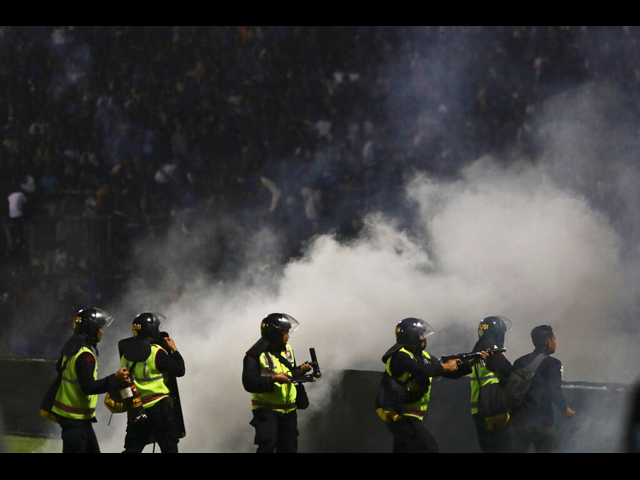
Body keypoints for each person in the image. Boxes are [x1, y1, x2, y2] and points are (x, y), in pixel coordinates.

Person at [379, 317, 486, 453]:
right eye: (421, 334)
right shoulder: (400, 356)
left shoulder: (424, 356)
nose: (424, 338)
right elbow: (424, 370)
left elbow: (451, 373)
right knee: (429, 448)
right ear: (412, 337)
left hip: (409, 416)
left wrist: (471, 362)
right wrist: (444, 367)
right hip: (401, 415)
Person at [40, 307, 130, 453]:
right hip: (76, 421)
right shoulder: (85, 356)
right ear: (92, 329)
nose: (102, 331)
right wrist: (115, 378)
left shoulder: (71, 349)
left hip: (74, 420)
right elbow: (89, 388)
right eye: (100, 327)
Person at [242, 313, 312, 453]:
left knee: (289, 449)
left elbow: (289, 373)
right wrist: (273, 379)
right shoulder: (254, 355)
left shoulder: (288, 350)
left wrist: (300, 371)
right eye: (286, 332)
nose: (288, 336)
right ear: (275, 334)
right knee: (268, 447)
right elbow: (249, 383)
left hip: (289, 411)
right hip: (267, 411)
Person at [118, 312, 186, 453]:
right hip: (159, 410)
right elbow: (180, 370)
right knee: (169, 449)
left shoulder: (125, 355)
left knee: (132, 450)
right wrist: (174, 350)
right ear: (151, 330)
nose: (159, 330)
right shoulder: (157, 352)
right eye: (157, 327)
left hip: (138, 409)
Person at [510, 325, 575, 453]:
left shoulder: (520, 361)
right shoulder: (553, 363)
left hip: (519, 420)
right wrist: (564, 409)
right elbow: (554, 389)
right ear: (548, 342)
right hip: (541, 420)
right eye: (554, 339)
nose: (555, 343)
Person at [470, 315, 515, 453]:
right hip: (492, 407)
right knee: (501, 447)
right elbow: (508, 370)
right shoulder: (491, 348)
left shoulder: (477, 348)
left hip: (479, 406)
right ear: (497, 332)